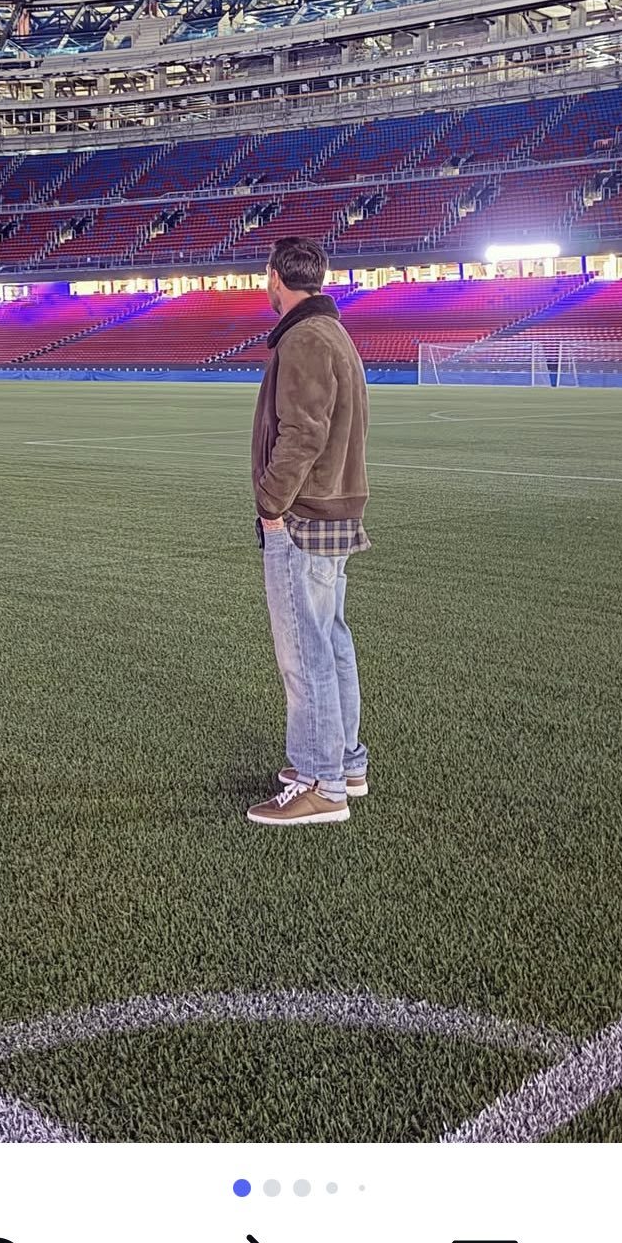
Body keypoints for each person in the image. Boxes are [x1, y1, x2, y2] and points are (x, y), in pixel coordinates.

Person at [245, 235, 371, 828]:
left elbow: (303, 433)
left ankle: (321, 783)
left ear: (275, 276)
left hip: (304, 517)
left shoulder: (303, 338)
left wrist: (271, 503)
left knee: (305, 651)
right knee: (331, 640)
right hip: (333, 510)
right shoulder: (333, 332)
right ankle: (344, 763)